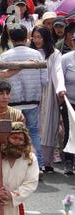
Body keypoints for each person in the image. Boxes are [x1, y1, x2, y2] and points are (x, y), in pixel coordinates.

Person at [0, 23, 47, 172]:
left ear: (11, 39)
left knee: (10, 132)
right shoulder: (37, 55)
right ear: (27, 37)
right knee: (32, 132)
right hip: (32, 100)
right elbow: (44, 81)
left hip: (12, 101)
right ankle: (38, 165)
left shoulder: (5, 55)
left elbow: (0, 80)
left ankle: (12, 164)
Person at [30, 26, 66, 173]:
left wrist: (60, 88)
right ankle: (33, 160)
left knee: (49, 126)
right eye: (35, 37)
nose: (37, 40)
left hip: (49, 92)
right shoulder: (30, 52)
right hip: (33, 92)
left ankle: (47, 161)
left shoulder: (54, 53)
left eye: (40, 37)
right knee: (34, 127)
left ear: (46, 37)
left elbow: (58, 71)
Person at [61, 34, 75, 175]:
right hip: (69, 102)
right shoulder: (66, 59)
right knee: (70, 130)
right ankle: (69, 161)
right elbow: (60, 80)